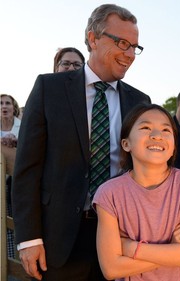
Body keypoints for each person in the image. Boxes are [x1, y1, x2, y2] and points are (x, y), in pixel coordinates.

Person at [11, 4, 151, 281]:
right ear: (93, 38)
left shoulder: (140, 102)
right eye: (122, 43)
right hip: (57, 241)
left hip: (120, 239)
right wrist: (29, 239)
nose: (129, 54)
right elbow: (27, 170)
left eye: (135, 47)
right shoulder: (49, 89)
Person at [93, 104, 180, 280]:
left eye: (165, 130)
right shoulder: (109, 193)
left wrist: (132, 248)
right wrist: (173, 248)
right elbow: (111, 269)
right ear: (126, 143)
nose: (157, 136)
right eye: (146, 128)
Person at [1, 94, 21, 259]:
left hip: (17, 181)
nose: (4, 106)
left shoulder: (23, 126)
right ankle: (6, 257)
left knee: (16, 218)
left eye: (7, 103)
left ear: (14, 107)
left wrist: (17, 141)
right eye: (0, 103)